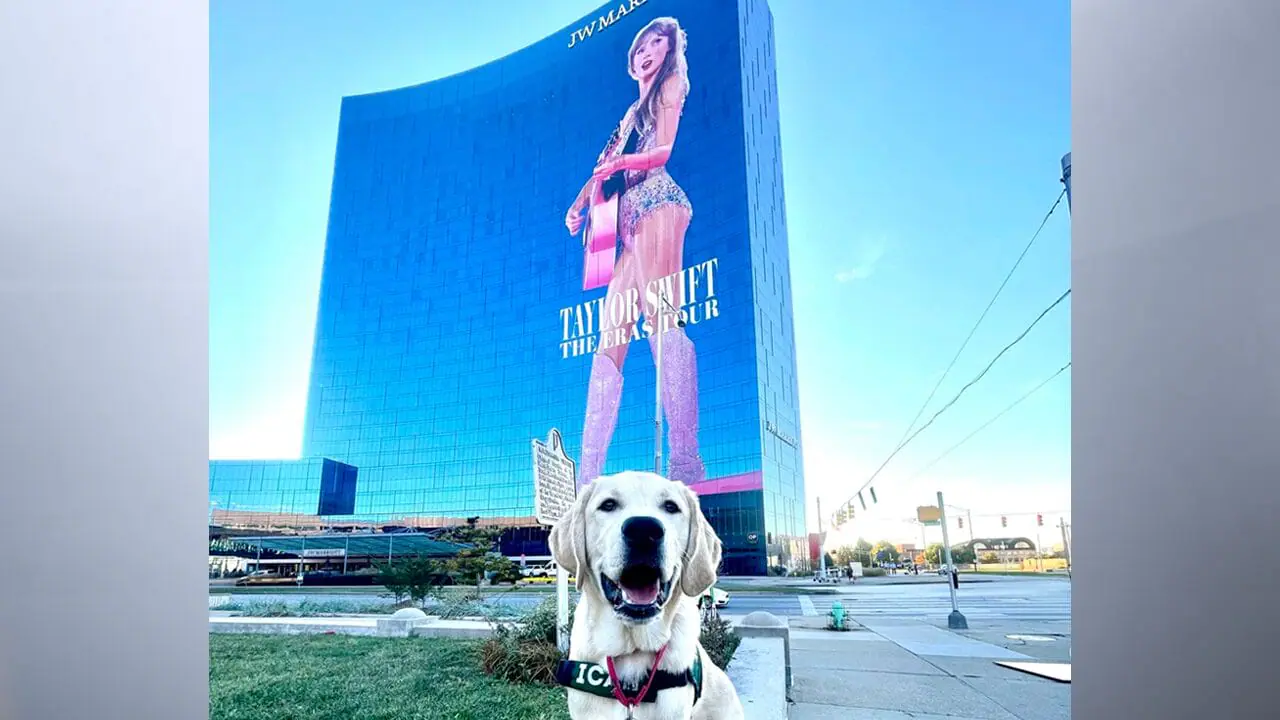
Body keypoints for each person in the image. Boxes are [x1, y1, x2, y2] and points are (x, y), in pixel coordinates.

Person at [565, 17, 703, 487]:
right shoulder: (628, 114)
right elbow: (603, 170)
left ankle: (685, 460)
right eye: (642, 43)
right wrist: (580, 203)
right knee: (609, 338)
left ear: (669, 53)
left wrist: (625, 163)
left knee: (663, 318)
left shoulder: (671, 85)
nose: (647, 51)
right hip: (626, 226)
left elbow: (662, 150)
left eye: (657, 44)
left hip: (658, 205)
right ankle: (588, 477)